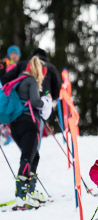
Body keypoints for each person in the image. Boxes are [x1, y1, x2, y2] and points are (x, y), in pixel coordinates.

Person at [7, 55, 52, 210]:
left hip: (14, 125)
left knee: (34, 156)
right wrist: (45, 101)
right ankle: (21, 196)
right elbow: (34, 102)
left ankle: (29, 192)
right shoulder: (31, 81)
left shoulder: (18, 81)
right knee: (27, 157)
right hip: (28, 123)